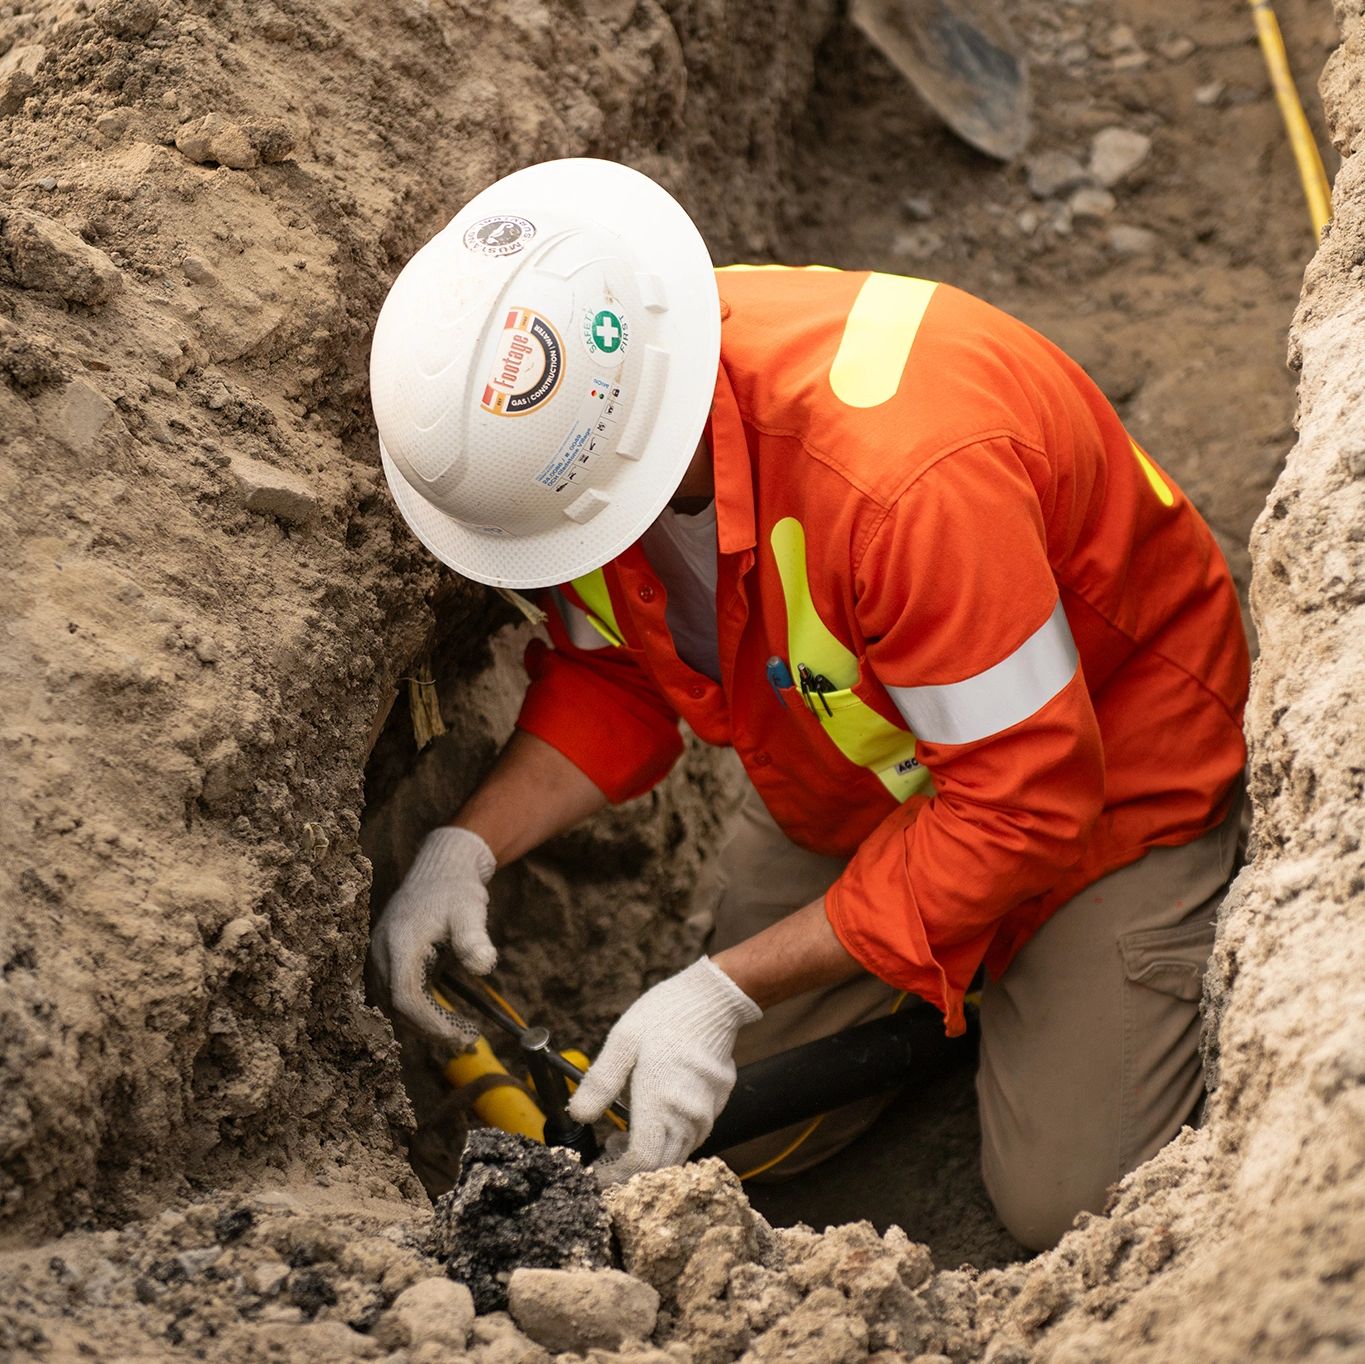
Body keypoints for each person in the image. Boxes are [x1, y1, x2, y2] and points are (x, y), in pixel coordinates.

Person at [366, 158, 1249, 1250]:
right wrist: (464, 848)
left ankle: (1042, 970)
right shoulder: (578, 455)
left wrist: (722, 988)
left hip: (1113, 777)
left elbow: (1024, 803)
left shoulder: (908, 482)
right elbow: (621, 678)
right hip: (857, 765)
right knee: (697, 1135)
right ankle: (945, 985)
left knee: (1069, 1197)